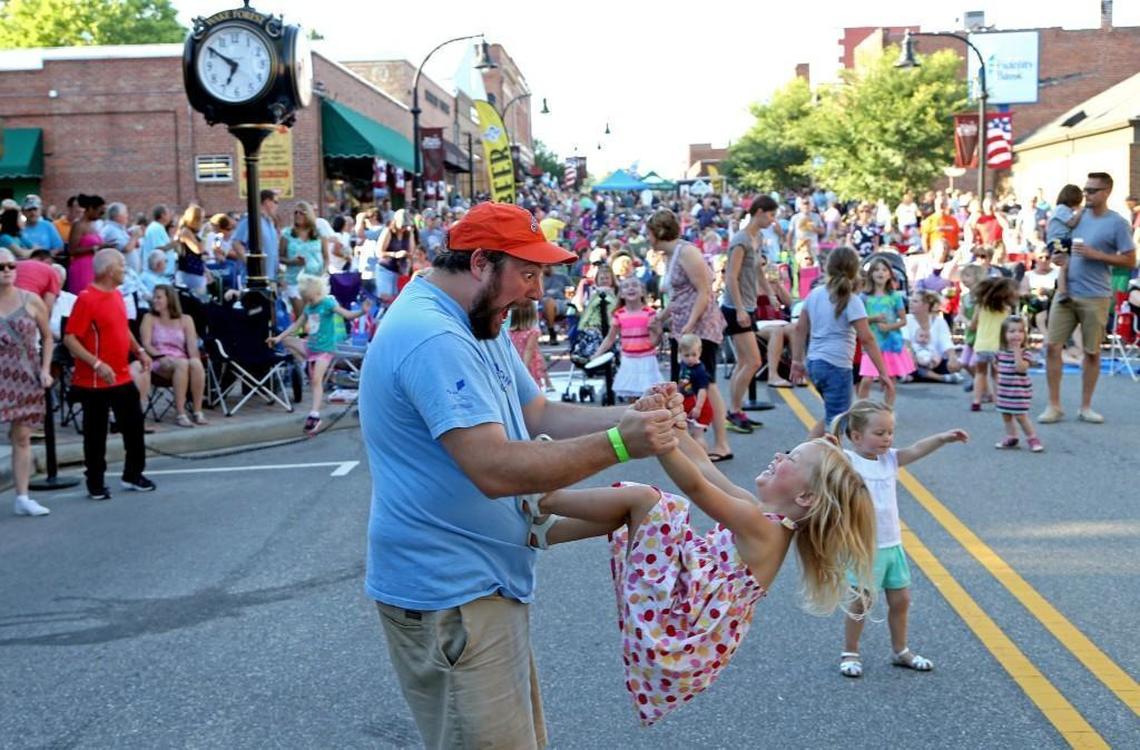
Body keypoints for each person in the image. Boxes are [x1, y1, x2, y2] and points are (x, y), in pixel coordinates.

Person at [358, 202, 680, 749]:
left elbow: (537, 415)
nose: (537, 291)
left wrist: (635, 416)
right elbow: (495, 467)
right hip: (452, 596)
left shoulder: (474, 320)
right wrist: (624, 441)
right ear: (481, 263)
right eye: (527, 273)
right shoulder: (435, 336)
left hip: (478, 589)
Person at [521, 408, 875, 725]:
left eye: (792, 459)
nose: (779, 455)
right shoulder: (759, 514)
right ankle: (548, 531)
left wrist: (662, 444)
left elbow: (695, 486)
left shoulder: (763, 528)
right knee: (640, 508)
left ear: (805, 497)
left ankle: (544, 496)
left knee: (651, 503)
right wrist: (675, 427)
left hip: (679, 625)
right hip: (681, 610)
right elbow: (704, 468)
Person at [831, 400, 968, 679]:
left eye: (890, 432)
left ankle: (900, 650)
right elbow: (820, 459)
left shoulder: (890, 459)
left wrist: (942, 438)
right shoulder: (848, 461)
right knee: (861, 602)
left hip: (893, 545)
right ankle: (850, 651)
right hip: (865, 547)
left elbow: (916, 449)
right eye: (879, 433)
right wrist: (825, 444)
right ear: (856, 437)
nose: (887, 438)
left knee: (901, 600)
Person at [63, 249, 155, 500]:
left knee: (134, 426)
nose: (125, 269)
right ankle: (95, 481)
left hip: (122, 375)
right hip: (95, 381)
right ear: (108, 270)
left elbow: (122, 328)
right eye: (122, 265)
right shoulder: (86, 299)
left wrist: (139, 351)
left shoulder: (116, 294)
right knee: (96, 434)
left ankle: (133, 474)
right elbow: (70, 338)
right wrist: (96, 363)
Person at [649, 208, 732, 460]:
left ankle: (721, 443)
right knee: (683, 385)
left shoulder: (687, 252)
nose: (647, 238)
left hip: (699, 330)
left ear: (658, 232)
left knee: (707, 383)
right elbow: (680, 296)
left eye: (649, 232)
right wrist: (661, 317)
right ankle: (689, 441)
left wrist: (690, 325)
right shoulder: (673, 255)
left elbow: (704, 292)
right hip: (683, 327)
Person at [791, 246, 895, 438]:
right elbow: (867, 338)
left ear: (827, 268)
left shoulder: (815, 294)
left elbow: (800, 329)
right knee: (837, 424)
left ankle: (803, 452)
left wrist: (797, 360)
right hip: (836, 364)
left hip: (815, 362)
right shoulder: (851, 300)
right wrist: (883, 372)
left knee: (833, 414)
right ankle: (824, 463)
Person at [269, 273, 363, 435]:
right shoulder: (309, 308)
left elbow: (347, 314)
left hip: (324, 350)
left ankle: (315, 414)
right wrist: (278, 337)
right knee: (287, 342)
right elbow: (296, 326)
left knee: (316, 381)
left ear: (319, 293)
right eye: (308, 299)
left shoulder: (327, 303)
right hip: (311, 347)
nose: (310, 302)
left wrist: (362, 311)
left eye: (312, 298)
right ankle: (304, 363)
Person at [0, 248, 55, 516]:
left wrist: (45, 369)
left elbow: (47, 337)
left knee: (22, 436)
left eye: (11, 266)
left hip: (26, 374)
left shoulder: (31, 300)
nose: (7, 271)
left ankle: (22, 496)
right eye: (1, 267)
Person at [721, 195, 777, 434]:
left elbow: (757, 271)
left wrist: (769, 293)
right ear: (760, 212)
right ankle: (734, 410)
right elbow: (731, 276)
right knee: (753, 360)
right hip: (736, 307)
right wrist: (741, 308)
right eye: (771, 215)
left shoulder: (758, 237)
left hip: (749, 304)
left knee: (745, 362)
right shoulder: (741, 240)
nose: (773, 220)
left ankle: (735, 410)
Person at [140, 285, 207, 428]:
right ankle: (181, 413)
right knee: (182, 364)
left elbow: (192, 347)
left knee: (195, 363)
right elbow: (146, 345)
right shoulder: (149, 318)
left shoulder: (186, 319)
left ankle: (197, 411)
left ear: (169, 299)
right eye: (154, 297)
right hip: (159, 360)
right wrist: (160, 356)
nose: (155, 300)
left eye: (159, 297)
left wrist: (194, 360)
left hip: (181, 359)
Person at [594, 276, 662, 400]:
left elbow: (654, 342)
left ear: (642, 292)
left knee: (649, 396)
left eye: (635, 285)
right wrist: (597, 354)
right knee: (632, 396)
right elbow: (610, 338)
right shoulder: (619, 314)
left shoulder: (650, 313)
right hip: (628, 360)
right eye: (626, 286)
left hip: (647, 359)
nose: (631, 288)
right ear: (621, 294)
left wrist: (657, 331)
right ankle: (634, 419)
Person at [857, 256, 914, 402]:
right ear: (870, 274)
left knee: (889, 379)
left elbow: (903, 320)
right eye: (876, 270)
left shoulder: (894, 297)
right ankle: (862, 408)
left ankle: (887, 409)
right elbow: (860, 320)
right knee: (867, 379)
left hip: (889, 343)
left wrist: (889, 326)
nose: (880, 273)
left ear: (890, 274)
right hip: (871, 343)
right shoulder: (864, 297)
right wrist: (874, 319)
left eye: (884, 270)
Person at [993, 315, 1043, 452]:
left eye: (1020, 331)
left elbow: (1021, 368)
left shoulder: (1025, 353)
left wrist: (1017, 351)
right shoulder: (1000, 353)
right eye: (1012, 331)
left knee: (1020, 415)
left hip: (1019, 391)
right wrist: (996, 390)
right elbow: (997, 369)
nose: (1017, 334)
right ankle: (1011, 436)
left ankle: (1032, 438)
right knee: (1006, 414)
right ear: (1004, 334)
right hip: (1004, 391)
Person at [968, 277, 1018, 412]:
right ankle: (999, 400)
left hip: (982, 346)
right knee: (997, 374)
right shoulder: (1006, 309)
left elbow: (973, 326)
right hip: (999, 347)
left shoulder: (981, 307)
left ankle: (976, 401)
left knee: (980, 373)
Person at [279, 201, 328, 319]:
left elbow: (326, 257)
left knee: (316, 317)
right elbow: (280, 257)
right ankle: (303, 336)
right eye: (295, 212)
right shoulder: (287, 234)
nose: (298, 215)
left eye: (301, 213)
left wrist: (323, 272)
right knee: (302, 317)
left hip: (315, 280)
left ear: (308, 215)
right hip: (294, 280)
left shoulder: (319, 233)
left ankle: (315, 337)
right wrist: (293, 261)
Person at [904, 290, 961, 383]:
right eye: (910, 300)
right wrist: (914, 358)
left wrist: (952, 357)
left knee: (954, 366)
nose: (910, 303)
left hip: (935, 361)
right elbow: (905, 343)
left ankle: (922, 375)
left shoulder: (939, 322)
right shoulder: (906, 320)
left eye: (915, 301)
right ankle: (940, 378)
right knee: (907, 365)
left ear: (926, 305)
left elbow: (946, 342)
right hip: (914, 360)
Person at [232, 190, 281, 289]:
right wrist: (252, 265)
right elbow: (237, 243)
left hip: (270, 279)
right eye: (275, 202)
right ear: (267, 202)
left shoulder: (269, 223)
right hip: (253, 280)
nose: (277, 206)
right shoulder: (250, 219)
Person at [1044, 184, 1083, 305]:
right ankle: (1062, 292)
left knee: (1067, 264)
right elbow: (1072, 223)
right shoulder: (1061, 209)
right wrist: (1081, 212)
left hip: (1062, 240)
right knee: (1066, 263)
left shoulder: (1065, 210)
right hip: (1058, 241)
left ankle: (1064, 290)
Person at [67, 195, 114, 294]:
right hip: (82, 267)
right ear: (91, 209)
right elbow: (72, 250)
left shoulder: (93, 226)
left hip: (93, 267)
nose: (101, 215)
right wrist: (95, 248)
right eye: (100, 211)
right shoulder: (78, 225)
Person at [508, 299, 553, 392]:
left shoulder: (510, 332)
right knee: (533, 388)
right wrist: (524, 367)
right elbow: (529, 350)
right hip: (529, 364)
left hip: (515, 362)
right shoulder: (532, 332)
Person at [677, 333, 713, 439]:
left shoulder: (700, 370)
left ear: (700, 352)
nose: (690, 359)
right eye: (687, 355)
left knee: (698, 436)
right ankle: (694, 455)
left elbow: (703, 390)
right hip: (688, 404)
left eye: (694, 355)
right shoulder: (684, 364)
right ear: (680, 354)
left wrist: (698, 407)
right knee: (691, 435)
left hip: (698, 406)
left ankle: (703, 456)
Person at [175, 205, 210, 295]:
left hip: (197, 271)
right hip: (190, 272)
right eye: (201, 218)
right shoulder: (185, 231)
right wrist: (205, 234)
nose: (203, 221)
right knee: (199, 302)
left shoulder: (192, 232)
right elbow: (198, 249)